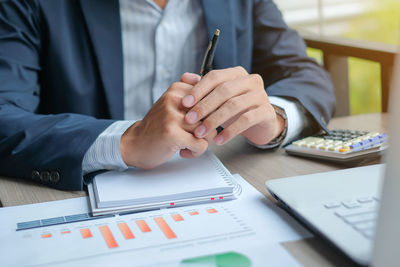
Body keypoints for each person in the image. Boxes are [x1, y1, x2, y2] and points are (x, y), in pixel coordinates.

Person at [0, 0, 335, 190]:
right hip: (75, 197)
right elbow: (4, 114)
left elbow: (304, 74)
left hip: (224, 188)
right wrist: (128, 141)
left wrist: (273, 116)